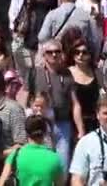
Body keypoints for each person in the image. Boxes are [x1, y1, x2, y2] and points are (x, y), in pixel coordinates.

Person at [31, 39, 75, 171]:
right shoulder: (35, 72)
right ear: (44, 55)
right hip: (40, 123)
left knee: (63, 165)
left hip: (63, 124)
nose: (54, 55)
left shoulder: (67, 74)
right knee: (42, 164)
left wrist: (80, 129)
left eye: (57, 51)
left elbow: (75, 103)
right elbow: (25, 95)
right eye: (49, 52)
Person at [0, 115, 65, 186]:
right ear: (45, 132)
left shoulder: (16, 154)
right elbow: (60, 183)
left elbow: (0, 183)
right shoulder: (55, 158)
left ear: (26, 132)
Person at [68, 37, 101, 137]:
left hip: (95, 121)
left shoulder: (96, 72)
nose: (80, 55)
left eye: (84, 52)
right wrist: (80, 130)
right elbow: (75, 104)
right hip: (73, 122)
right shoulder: (68, 73)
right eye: (77, 52)